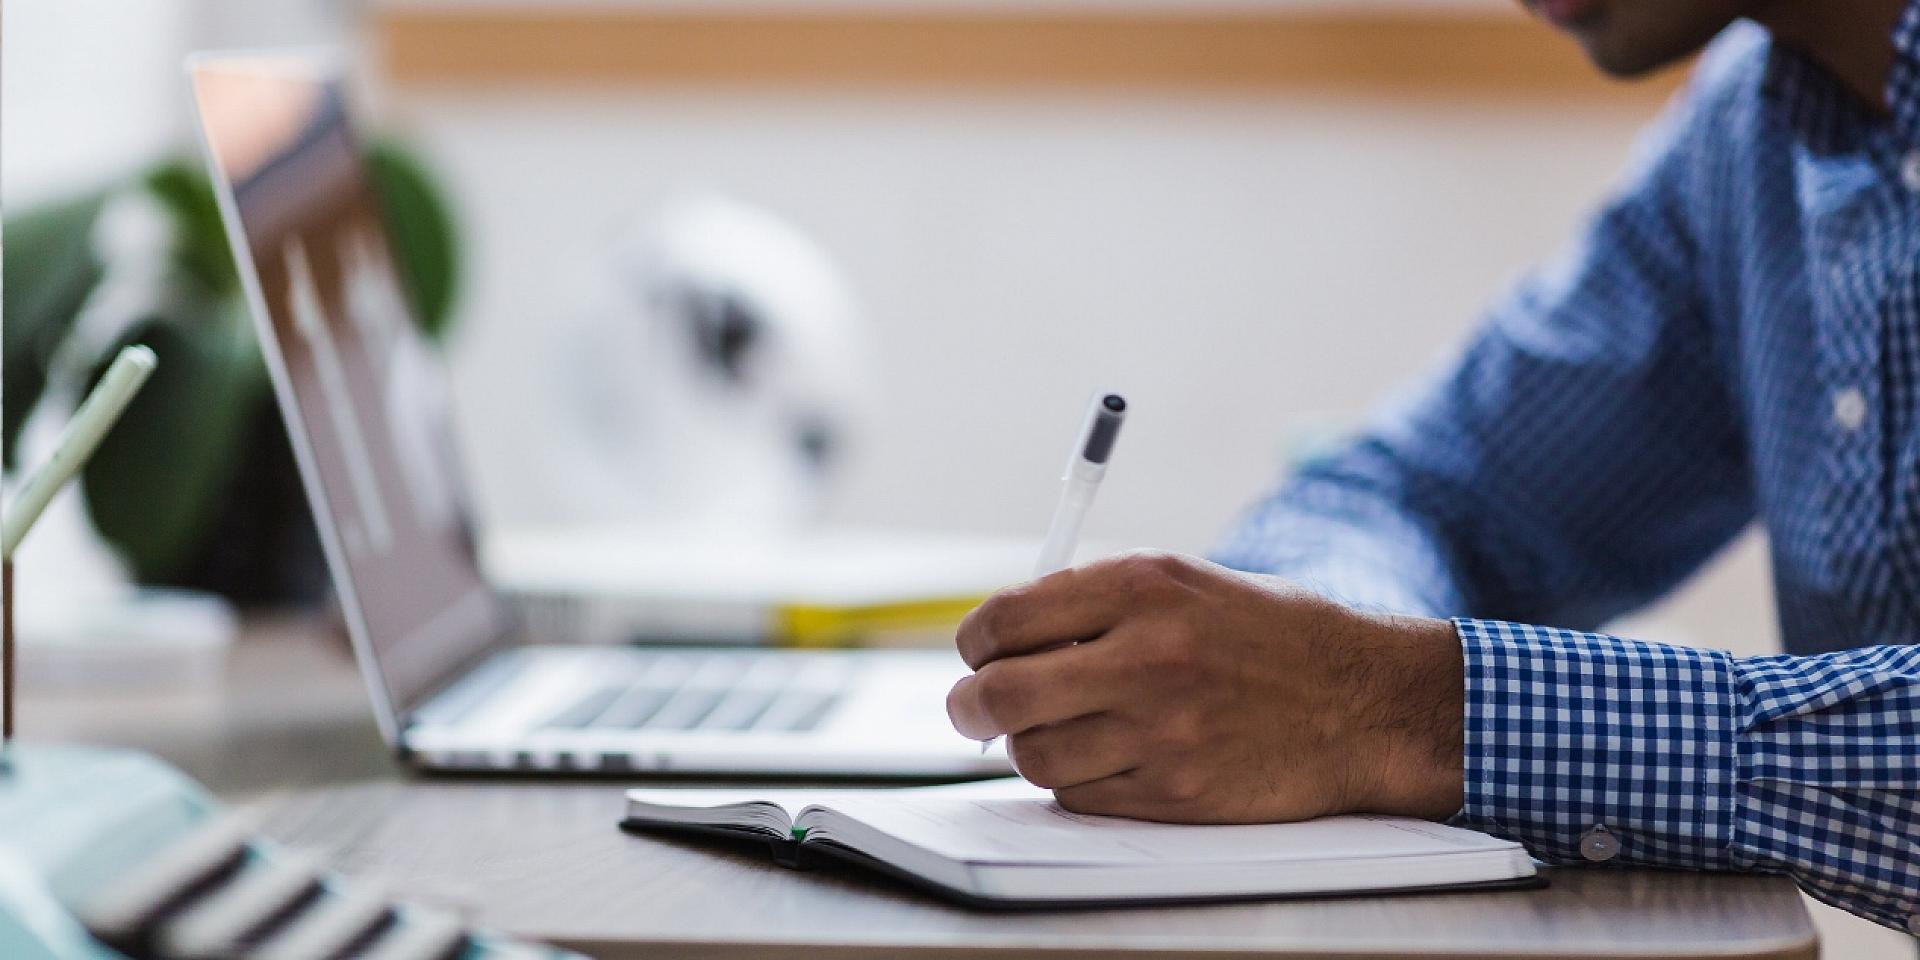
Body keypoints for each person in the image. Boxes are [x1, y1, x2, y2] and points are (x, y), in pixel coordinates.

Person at [945, 0, 1920, 935]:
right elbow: (1423, 495)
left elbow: (1388, 673)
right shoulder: (1751, 135)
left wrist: (1400, 707)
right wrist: (1311, 654)